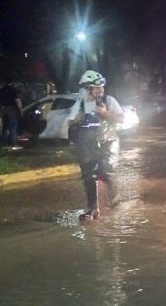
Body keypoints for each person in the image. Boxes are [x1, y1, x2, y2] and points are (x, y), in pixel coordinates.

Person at [69, 70, 124, 220]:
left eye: (101, 87)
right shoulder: (80, 104)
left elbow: (121, 119)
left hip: (108, 141)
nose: (100, 90)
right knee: (88, 176)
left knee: (105, 170)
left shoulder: (108, 100)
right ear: (87, 89)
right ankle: (92, 209)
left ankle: (116, 199)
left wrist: (105, 113)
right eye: (95, 87)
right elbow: (70, 122)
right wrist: (76, 120)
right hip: (87, 144)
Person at [0, 77, 23, 149]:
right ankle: (13, 143)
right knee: (13, 126)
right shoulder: (14, 90)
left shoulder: (0, 90)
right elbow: (17, 101)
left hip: (3, 109)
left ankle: (3, 143)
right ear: (12, 82)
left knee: (4, 126)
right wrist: (20, 110)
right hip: (12, 109)